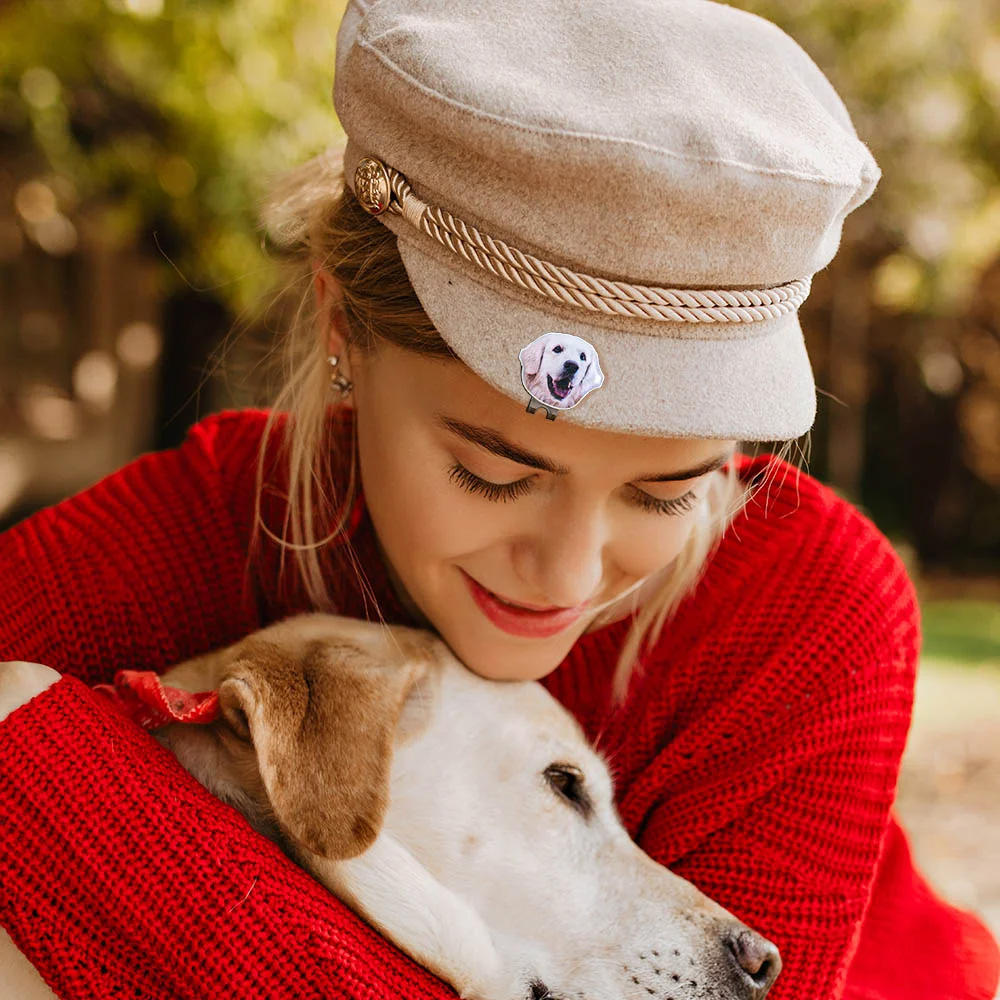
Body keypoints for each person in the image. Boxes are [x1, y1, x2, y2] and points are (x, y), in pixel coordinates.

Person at [1, 1, 998, 998]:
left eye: (667, 493)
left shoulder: (810, 606)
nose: (566, 573)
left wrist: (43, 752)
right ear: (342, 325)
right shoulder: (225, 516)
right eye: (495, 471)